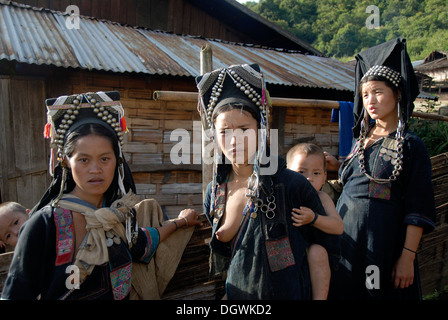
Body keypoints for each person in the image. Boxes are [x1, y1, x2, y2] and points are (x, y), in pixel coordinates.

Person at [1, 91, 201, 300]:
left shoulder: (119, 216)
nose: (95, 169)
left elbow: (143, 241)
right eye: (84, 160)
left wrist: (180, 222)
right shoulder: (43, 226)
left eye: (104, 159)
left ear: (118, 161)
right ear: (66, 162)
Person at [197, 63, 338, 299]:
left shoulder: (291, 184)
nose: (234, 140)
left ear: (261, 130)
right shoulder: (215, 191)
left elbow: (324, 246)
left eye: (244, 128)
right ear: (214, 136)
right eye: (224, 131)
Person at [327, 38, 436, 300]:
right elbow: (359, 182)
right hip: (348, 239)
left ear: (397, 93)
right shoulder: (360, 141)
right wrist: (336, 166)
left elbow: (417, 208)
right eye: (365, 95)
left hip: (383, 243)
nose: (370, 100)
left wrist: (407, 258)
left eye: (377, 92)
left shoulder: (410, 146)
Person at [286, 143, 343, 299]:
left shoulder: (322, 198)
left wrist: (314, 219)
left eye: (316, 173)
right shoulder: (284, 196)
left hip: (316, 251)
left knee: (318, 252)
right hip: (289, 251)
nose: (309, 178)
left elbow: (338, 227)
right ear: (287, 174)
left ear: (325, 177)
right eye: (301, 172)